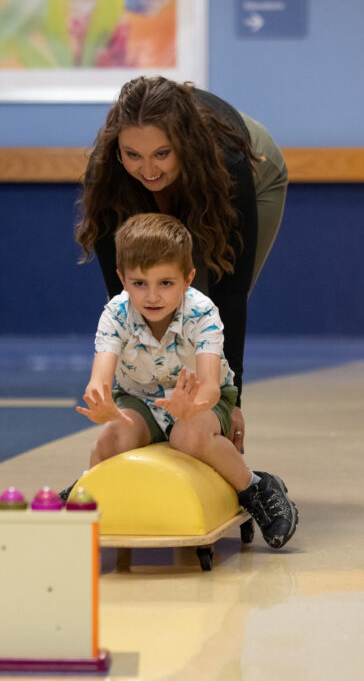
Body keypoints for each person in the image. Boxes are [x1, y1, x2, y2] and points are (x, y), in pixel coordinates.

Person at [75, 75, 289, 454]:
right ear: (118, 148)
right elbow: (124, 296)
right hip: (184, 168)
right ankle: (156, 419)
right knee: (154, 292)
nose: (147, 169)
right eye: (133, 155)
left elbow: (231, 291)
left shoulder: (228, 160)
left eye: (162, 153)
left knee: (197, 304)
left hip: (254, 168)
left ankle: (206, 418)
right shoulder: (109, 169)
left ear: (182, 145)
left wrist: (233, 401)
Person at [73, 213, 298, 549]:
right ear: (122, 279)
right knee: (112, 439)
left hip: (202, 397)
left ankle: (256, 487)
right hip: (140, 397)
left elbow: (209, 384)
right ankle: (85, 501)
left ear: (188, 278)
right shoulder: (115, 314)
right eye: (139, 283)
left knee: (187, 436)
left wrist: (193, 406)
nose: (152, 296)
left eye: (166, 283)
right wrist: (100, 402)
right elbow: (100, 378)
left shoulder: (203, 313)